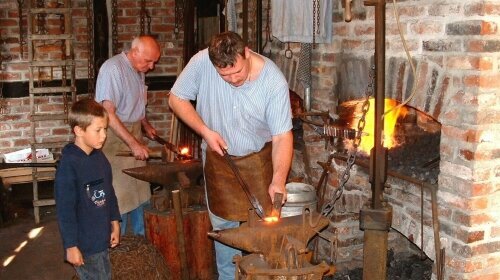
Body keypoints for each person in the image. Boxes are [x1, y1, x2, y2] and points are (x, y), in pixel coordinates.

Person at [168, 31, 293, 279]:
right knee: (224, 231)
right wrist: (205, 131)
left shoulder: (273, 81)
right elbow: (176, 98)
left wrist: (278, 180)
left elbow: (282, 136)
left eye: (237, 72)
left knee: (260, 231)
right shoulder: (201, 62)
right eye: (224, 75)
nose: (233, 79)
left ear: (246, 53)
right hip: (219, 163)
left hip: (258, 161)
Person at [95, 35, 161, 236]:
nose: (151, 67)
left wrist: (145, 124)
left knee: (140, 193)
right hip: (115, 142)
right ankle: (118, 247)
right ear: (135, 52)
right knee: (120, 197)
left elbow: (134, 104)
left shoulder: (137, 69)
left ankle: (141, 243)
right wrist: (133, 143)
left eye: (154, 62)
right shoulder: (112, 69)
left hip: (133, 135)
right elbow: (108, 113)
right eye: (148, 61)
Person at [55, 98, 121, 279]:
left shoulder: (100, 158)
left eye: (105, 129)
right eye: (98, 130)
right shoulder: (69, 165)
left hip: (101, 238)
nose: (104, 135)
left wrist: (114, 222)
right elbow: (65, 210)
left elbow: (110, 192)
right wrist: (71, 246)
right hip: (84, 244)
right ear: (79, 130)